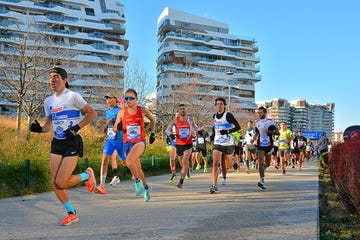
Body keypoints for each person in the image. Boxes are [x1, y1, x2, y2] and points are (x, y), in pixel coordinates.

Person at [30, 67, 97, 226]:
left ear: (65, 80)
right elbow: (48, 125)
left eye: (56, 77)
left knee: (61, 182)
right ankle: (71, 213)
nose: (52, 80)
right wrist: (40, 129)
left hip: (71, 142)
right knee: (55, 182)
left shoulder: (73, 96)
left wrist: (76, 128)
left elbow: (92, 114)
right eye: (50, 77)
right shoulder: (48, 101)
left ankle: (87, 175)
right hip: (57, 142)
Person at [113, 88, 156, 202]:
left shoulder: (142, 110)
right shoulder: (122, 112)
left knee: (129, 162)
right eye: (127, 98)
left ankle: (137, 183)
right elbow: (115, 125)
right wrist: (116, 127)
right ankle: (146, 187)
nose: (129, 100)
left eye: (131, 98)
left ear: (136, 99)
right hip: (127, 143)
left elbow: (152, 119)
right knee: (138, 168)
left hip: (140, 142)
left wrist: (153, 133)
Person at [94, 94, 126, 194]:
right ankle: (102, 185)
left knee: (127, 162)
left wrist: (115, 124)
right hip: (110, 140)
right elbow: (109, 124)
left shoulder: (120, 110)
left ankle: (139, 178)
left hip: (120, 140)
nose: (108, 100)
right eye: (106, 98)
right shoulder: (107, 111)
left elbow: (125, 124)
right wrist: (106, 128)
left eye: (110, 98)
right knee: (104, 160)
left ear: (115, 99)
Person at [209, 97, 241, 194]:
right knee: (215, 163)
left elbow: (238, 127)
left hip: (228, 143)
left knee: (229, 166)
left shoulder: (228, 115)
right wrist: (212, 137)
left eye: (221, 104)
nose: (219, 106)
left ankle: (233, 160)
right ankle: (214, 185)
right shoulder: (214, 116)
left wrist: (227, 131)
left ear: (224, 105)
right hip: (218, 143)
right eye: (217, 104)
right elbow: (215, 129)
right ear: (215, 106)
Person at [166, 104, 198, 189]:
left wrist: (195, 132)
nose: (182, 110)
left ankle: (181, 181)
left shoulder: (190, 119)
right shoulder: (175, 120)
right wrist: (171, 135)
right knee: (182, 163)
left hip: (188, 144)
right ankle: (185, 170)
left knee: (184, 161)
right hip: (179, 144)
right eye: (180, 109)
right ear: (179, 111)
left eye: (183, 109)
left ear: (186, 110)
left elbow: (196, 129)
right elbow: (167, 130)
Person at [250, 106, 279, 189]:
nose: (260, 114)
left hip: (269, 145)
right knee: (261, 162)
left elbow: (277, 133)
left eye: (261, 112)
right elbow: (256, 133)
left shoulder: (271, 122)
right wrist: (253, 139)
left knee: (268, 163)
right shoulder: (257, 123)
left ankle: (263, 170)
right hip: (260, 145)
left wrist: (269, 131)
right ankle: (262, 180)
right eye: (258, 113)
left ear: (265, 113)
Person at [109, 97, 126, 186]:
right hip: (114, 138)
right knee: (112, 156)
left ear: (123, 104)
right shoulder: (114, 113)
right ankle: (116, 176)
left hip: (123, 139)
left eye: (120, 103)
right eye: (117, 103)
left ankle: (136, 172)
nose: (118, 105)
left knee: (125, 160)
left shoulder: (126, 113)